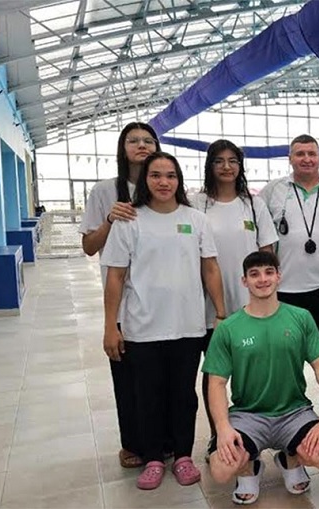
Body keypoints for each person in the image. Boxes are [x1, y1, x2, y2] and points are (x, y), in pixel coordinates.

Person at [101, 152, 225, 490]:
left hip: (187, 326)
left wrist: (221, 312)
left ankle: (183, 455)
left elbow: (210, 268)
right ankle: (154, 458)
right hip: (142, 327)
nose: (164, 182)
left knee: (183, 395)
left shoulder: (195, 219)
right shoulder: (130, 220)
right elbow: (115, 277)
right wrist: (111, 325)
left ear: (179, 181)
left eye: (170, 176)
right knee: (148, 396)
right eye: (156, 175)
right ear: (146, 180)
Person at [203, 250, 319, 504]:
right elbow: (216, 383)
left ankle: (290, 458)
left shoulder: (300, 318)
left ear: (279, 276)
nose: (262, 279)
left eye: (268, 272)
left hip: (294, 412)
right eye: (254, 274)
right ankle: (250, 468)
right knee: (221, 469)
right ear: (244, 281)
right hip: (248, 414)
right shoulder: (229, 328)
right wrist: (222, 428)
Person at [79, 122, 160, 470]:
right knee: (127, 378)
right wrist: (111, 219)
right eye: (134, 141)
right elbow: (88, 247)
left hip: (161, 300)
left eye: (148, 140)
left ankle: (166, 441)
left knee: (161, 377)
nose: (141, 145)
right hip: (123, 303)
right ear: (122, 147)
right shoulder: (105, 191)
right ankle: (133, 443)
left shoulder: (164, 188)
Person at [191, 139, 277, 441]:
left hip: (249, 304)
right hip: (210, 307)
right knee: (214, 373)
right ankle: (219, 433)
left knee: (253, 370)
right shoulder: (196, 203)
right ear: (210, 165)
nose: (226, 167)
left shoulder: (253, 204)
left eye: (232, 161)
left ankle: (259, 431)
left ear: (240, 165)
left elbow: (267, 253)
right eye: (219, 161)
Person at [259, 135, 319, 352]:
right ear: (290, 158)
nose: (306, 159)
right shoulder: (273, 191)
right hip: (285, 288)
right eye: (300, 154)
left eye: (312, 154)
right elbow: (260, 238)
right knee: (286, 355)